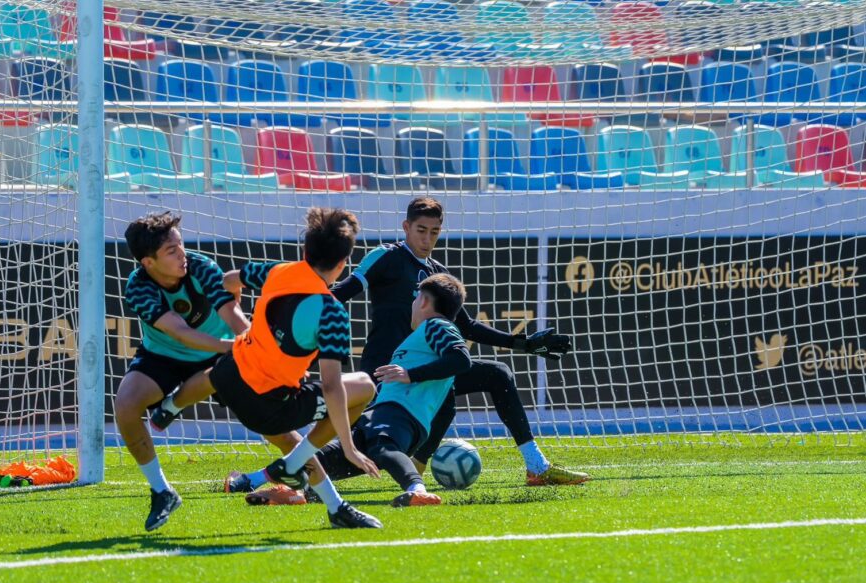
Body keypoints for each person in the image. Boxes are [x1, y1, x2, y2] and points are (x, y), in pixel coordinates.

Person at [331, 197, 590, 486]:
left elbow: (465, 325)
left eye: (434, 231)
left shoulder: (436, 273)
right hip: (387, 373)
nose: (427, 238)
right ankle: (307, 475)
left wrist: (524, 343)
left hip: (423, 370)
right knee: (373, 445)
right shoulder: (385, 257)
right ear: (406, 226)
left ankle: (536, 466)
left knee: (495, 376)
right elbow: (340, 293)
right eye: (420, 229)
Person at [151, 207, 384, 529]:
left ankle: (168, 407)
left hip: (233, 379)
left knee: (219, 373)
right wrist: (348, 447)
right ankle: (308, 479)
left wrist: (244, 319)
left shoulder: (279, 271)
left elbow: (228, 280)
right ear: (344, 264)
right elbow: (332, 387)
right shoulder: (332, 313)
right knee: (365, 387)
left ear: (305, 251)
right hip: (269, 407)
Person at [116, 211, 250, 531]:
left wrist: (247, 340)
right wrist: (231, 348)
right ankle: (162, 491)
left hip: (218, 352)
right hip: (166, 355)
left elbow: (231, 308)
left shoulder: (202, 267)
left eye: (181, 245)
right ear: (149, 262)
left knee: (266, 411)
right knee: (126, 405)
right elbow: (180, 332)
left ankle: (321, 488)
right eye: (172, 251)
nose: (182, 255)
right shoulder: (138, 286)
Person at [305, 272, 472, 507]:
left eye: (415, 299)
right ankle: (266, 484)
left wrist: (410, 374)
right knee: (321, 457)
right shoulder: (419, 337)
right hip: (380, 415)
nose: (412, 304)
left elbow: (461, 359)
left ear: (423, 301)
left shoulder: (436, 325)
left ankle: (418, 490)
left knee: (383, 447)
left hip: (401, 415)